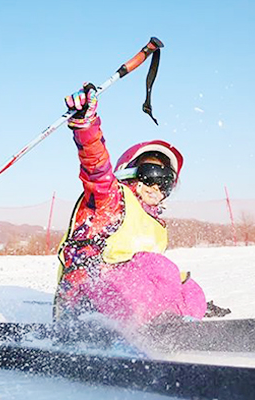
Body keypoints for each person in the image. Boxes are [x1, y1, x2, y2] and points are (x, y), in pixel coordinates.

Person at [53, 83, 221, 327]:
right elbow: (96, 169)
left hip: (133, 303)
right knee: (156, 266)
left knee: (188, 286)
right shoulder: (110, 199)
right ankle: (132, 326)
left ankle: (180, 321)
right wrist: (86, 126)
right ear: (129, 173)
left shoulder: (156, 225)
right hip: (86, 301)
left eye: (166, 182)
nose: (157, 187)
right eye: (151, 174)